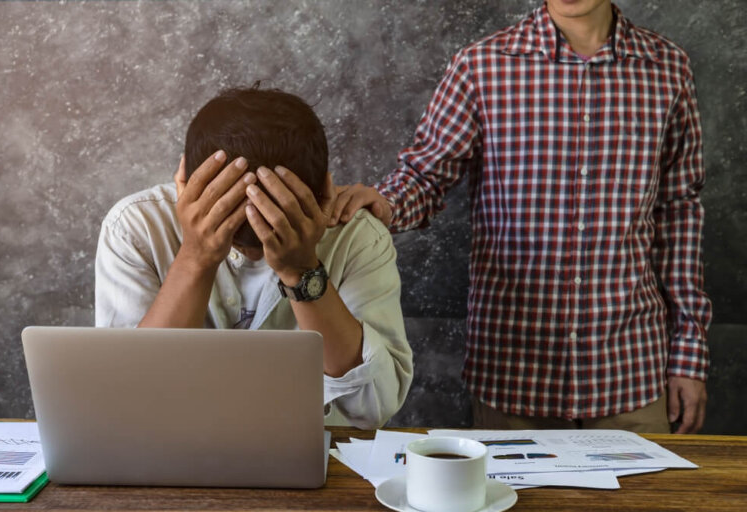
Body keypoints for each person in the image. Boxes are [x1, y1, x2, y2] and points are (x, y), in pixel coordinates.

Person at [332, 0, 711, 433]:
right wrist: (383, 202)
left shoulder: (667, 68)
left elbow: (680, 213)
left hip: (632, 373)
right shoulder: (482, 66)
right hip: (514, 374)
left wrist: (689, 354)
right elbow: (426, 175)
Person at [95, 86, 413, 429]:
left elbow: (374, 406)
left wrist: (302, 270)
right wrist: (196, 256)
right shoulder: (136, 227)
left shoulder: (357, 236)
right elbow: (129, 402)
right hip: (170, 449)